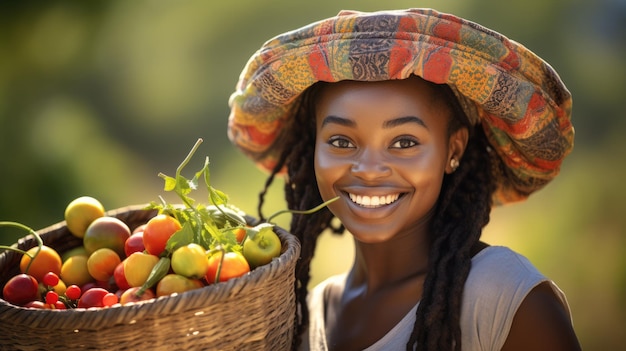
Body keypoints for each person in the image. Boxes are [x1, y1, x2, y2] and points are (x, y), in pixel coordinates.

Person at [227, 8, 581, 351]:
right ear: (314, 146)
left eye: (404, 142)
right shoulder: (301, 317)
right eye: (340, 141)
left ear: (453, 150)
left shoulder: (509, 301)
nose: (368, 168)